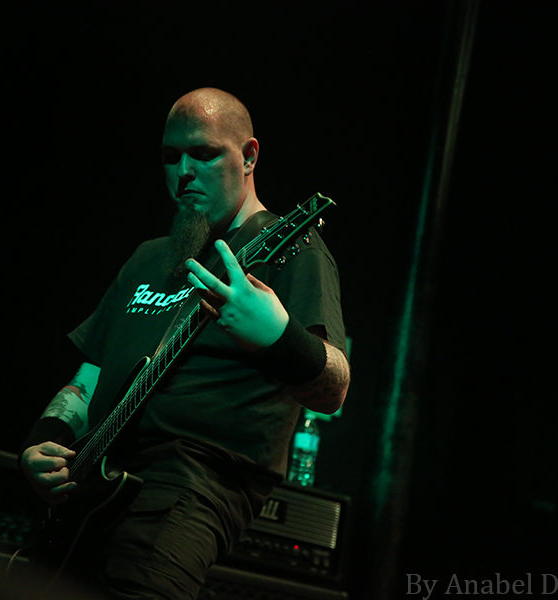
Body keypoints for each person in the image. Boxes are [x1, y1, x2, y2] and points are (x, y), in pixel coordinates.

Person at [19, 88, 350, 600]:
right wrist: (45, 442)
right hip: (94, 487)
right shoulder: (148, 258)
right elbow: (91, 374)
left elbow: (335, 388)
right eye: (171, 157)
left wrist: (277, 338)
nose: (184, 172)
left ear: (249, 157)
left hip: (190, 488)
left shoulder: (291, 251)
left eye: (204, 153)